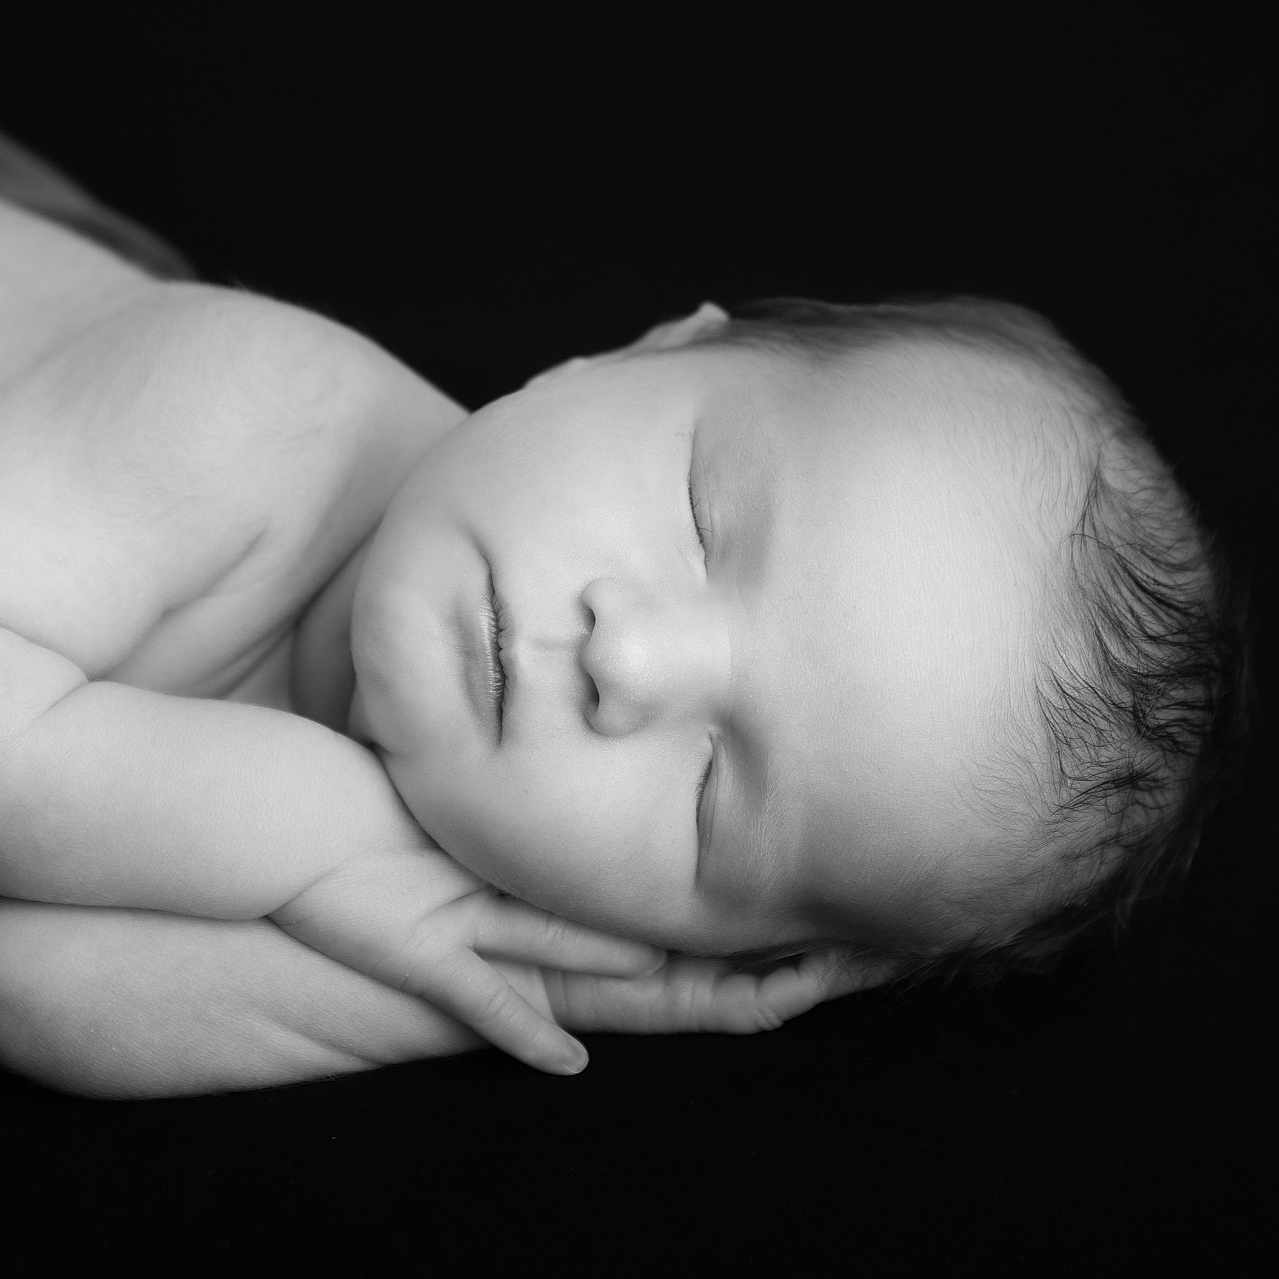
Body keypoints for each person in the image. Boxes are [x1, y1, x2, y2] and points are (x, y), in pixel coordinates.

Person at [0, 135, 1247, 1099]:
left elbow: (41, 998)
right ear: (640, 353)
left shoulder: (458, 852)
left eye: (711, 794)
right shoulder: (246, 409)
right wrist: (316, 837)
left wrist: (496, 985)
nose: (627, 660)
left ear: (683, 939)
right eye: (704, 520)